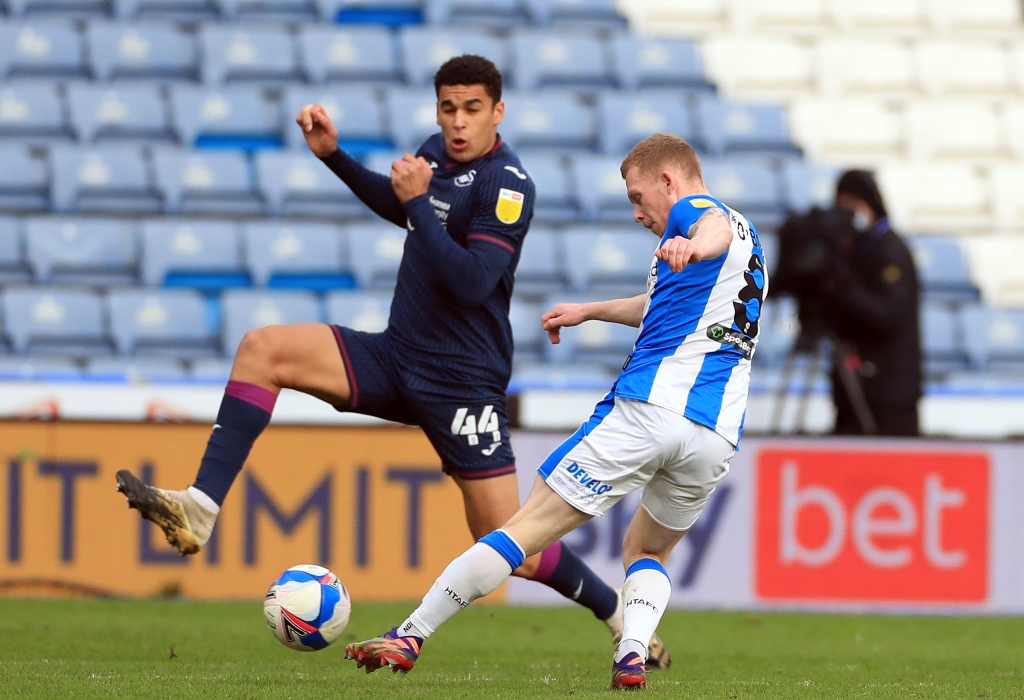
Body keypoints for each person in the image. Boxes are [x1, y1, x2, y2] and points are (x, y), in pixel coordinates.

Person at [114, 54, 668, 666]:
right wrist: (335, 157)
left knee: (513, 544)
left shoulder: (508, 183)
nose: (458, 122)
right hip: (396, 355)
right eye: (448, 108)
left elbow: (473, 282)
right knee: (262, 350)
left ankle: (617, 612)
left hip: (463, 384)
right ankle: (201, 507)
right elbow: (404, 204)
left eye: (472, 109)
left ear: (498, 112)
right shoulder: (434, 154)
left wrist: (418, 202)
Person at [343, 133, 767, 691]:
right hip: (715, 431)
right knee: (647, 548)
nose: (638, 214)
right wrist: (590, 311)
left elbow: (708, 227)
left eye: (638, 197)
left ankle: (410, 634)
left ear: (668, 181)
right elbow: (661, 303)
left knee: (520, 530)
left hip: (650, 407)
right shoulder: (750, 240)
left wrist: (695, 245)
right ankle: (632, 651)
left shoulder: (698, 215)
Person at [827, 170, 921, 436]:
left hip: (890, 394)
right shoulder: (852, 249)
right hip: (854, 389)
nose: (847, 214)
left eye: (852, 205)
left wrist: (844, 286)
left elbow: (888, 316)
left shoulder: (890, 250)